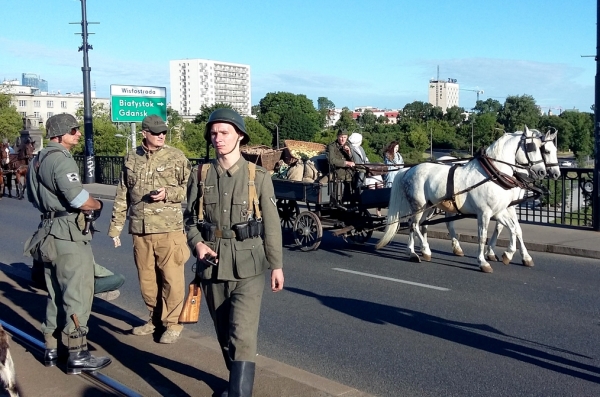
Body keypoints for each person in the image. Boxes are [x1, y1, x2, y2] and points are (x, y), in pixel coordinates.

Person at [183, 108, 284, 397]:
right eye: (213, 133)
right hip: (211, 265)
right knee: (225, 335)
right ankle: (234, 385)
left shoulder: (259, 177)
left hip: (249, 267)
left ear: (239, 135)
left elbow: (273, 227)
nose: (218, 138)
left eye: (224, 132)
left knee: (243, 334)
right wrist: (196, 243)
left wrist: (276, 265)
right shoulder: (200, 174)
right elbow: (187, 218)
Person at [24, 113, 111, 374]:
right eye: (73, 130)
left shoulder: (37, 159)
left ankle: (51, 347)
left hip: (47, 232)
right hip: (68, 235)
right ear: (59, 135)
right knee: (78, 293)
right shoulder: (61, 160)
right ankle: (77, 352)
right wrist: (98, 204)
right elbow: (79, 200)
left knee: (55, 294)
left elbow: (31, 196)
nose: (77, 134)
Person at [108, 114, 191, 344]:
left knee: (172, 279)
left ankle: (173, 324)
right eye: (156, 132)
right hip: (140, 230)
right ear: (144, 133)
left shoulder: (176, 157)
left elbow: (189, 188)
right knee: (147, 280)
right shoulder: (131, 158)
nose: (161, 135)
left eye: (163, 132)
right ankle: (154, 319)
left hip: (169, 229)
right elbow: (122, 194)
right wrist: (116, 227)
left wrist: (169, 194)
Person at [31, 259, 125, 301]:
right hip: (68, 284)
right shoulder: (77, 245)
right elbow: (94, 269)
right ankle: (92, 293)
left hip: (41, 278)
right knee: (119, 278)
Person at [326, 129, 355, 204]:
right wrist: (346, 163)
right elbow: (331, 160)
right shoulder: (332, 146)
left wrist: (349, 153)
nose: (342, 139)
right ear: (337, 137)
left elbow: (354, 160)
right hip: (337, 172)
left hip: (349, 173)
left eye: (344, 137)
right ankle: (337, 202)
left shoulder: (349, 145)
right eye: (341, 137)